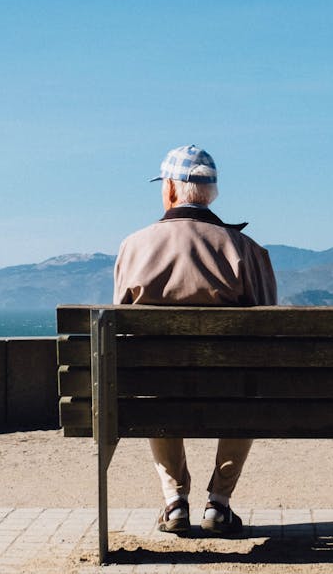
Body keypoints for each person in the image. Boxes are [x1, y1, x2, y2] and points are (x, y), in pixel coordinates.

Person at [113, 144, 277, 536]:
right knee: (248, 387)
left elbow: (119, 331)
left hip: (159, 390)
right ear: (211, 194)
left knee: (151, 384)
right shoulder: (246, 251)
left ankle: (174, 502)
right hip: (230, 389)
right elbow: (271, 330)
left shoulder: (134, 246)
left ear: (170, 189)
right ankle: (219, 503)